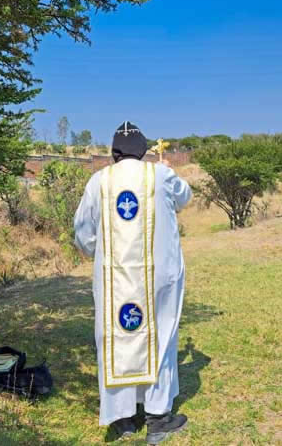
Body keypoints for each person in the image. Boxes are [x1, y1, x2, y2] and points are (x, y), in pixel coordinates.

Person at [73, 121, 192, 444]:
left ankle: (122, 416)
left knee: (116, 337)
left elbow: (83, 232)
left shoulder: (99, 181)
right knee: (159, 336)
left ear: (114, 153)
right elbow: (185, 198)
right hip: (159, 276)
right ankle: (158, 417)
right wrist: (168, 170)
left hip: (114, 276)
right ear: (143, 151)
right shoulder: (160, 175)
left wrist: (101, 254)